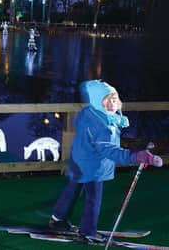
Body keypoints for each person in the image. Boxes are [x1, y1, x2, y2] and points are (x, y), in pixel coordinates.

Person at [48, 80, 163, 243]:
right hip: (93, 165)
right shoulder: (102, 126)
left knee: (73, 189)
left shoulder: (90, 113)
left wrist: (117, 120)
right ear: (97, 102)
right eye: (107, 99)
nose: (113, 103)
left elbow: (102, 129)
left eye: (114, 98)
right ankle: (87, 231)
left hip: (80, 159)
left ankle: (57, 219)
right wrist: (134, 156)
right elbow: (109, 150)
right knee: (93, 198)